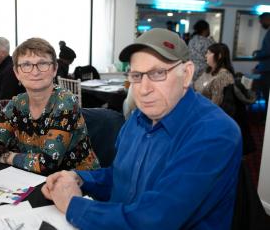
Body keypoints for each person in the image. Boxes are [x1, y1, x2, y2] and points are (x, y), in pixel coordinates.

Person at [42, 28, 242, 229]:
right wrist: (80, 178)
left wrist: (72, 205)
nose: (144, 89)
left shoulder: (215, 133)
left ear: (187, 73)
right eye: (137, 75)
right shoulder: (139, 117)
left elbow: (154, 220)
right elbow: (122, 178)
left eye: (157, 73)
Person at [0, 37, 100, 175]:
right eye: (26, 65)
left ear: (54, 69)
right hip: (36, 180)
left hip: (81, 182)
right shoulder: (16, 104)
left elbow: (47, 163)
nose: (35, 71)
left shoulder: (66, 101)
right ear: (17, 73)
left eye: (43, 63)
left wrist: (7, 156)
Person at [253, 12, 270, 113]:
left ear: (267, 19)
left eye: (261, 21)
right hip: (266, 68)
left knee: (267, 95)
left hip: (268, 71)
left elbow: (268, 51)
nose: (260, 23)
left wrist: (258, 55)